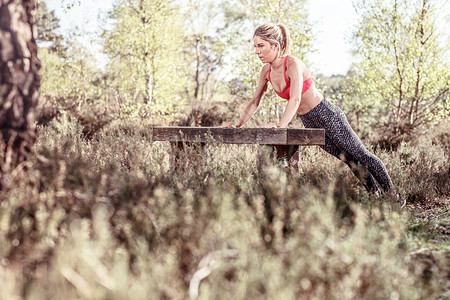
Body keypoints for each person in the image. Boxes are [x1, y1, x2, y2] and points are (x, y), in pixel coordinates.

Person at [223, 23, 404, 205]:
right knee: (349, 160)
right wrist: (237, 125)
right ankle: (376, 197)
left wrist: (279, 128)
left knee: (361, 155)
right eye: (255, 46)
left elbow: (294, 99)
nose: (257, 51)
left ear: (275, 45)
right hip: (309, 121)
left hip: (327, 115)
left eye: (260, 46)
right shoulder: (266, 72)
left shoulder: (293, 64)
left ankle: (395, 197)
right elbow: (255, 101)